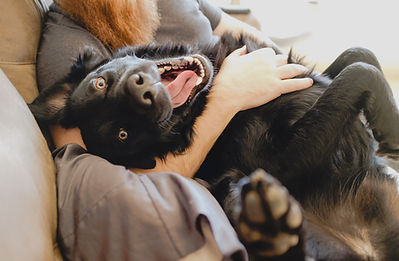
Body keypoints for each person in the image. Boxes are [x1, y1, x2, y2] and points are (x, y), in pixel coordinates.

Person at [36, 0, 313, 260]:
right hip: (241, 155)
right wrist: (228, 96)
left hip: (279, 106)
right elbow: (127, 184)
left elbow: (231, 27)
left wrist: (295, 75)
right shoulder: (66, 46)